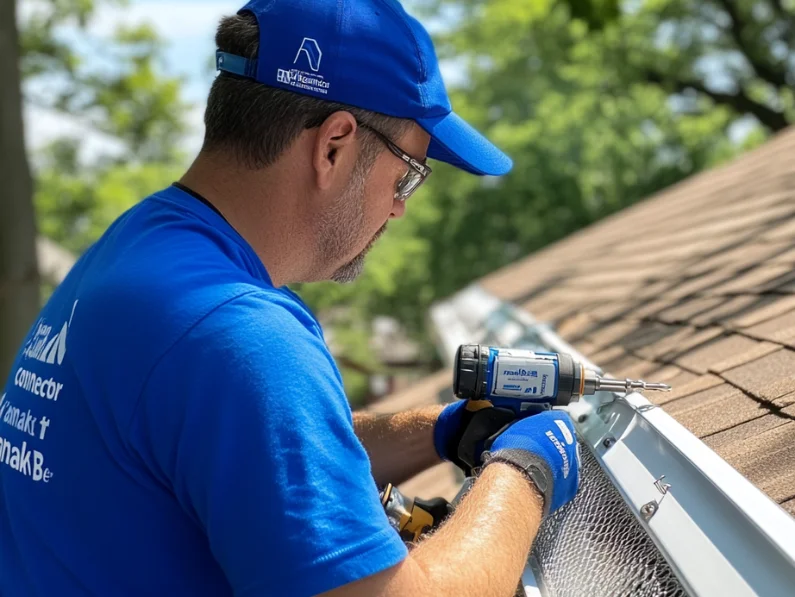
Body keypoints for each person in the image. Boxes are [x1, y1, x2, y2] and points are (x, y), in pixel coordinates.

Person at [0, 0, 580, 595]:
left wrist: (439, 431)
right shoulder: (237, 334)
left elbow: (259, 452)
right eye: (407, 172)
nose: (401, 205)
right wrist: (525, 470)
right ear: (333, 145)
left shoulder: (138, 252)